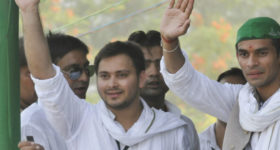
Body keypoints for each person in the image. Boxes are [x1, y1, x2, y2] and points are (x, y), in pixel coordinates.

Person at [15, 0, 193, 149]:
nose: (112, 83)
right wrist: (28, 9)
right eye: (104, 76)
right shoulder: (80, 118)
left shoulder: (173, 131)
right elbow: (45, 76)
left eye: (122, 75)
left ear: (141, 77)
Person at [159, 0, 280, 149]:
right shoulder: (240, 102)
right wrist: (169, 42)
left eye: (262, 53)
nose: (251, 63)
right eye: (244, 54)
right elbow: (187, 83)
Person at [19, 32, 93, 150]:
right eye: (74, 71)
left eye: (88, 69)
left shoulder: (94, 114)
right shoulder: (32, 122)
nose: (84, 78)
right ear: (50, 74)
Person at [128, 30, 199, 149]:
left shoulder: (185, 125)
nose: (154, 72)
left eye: (161, 64)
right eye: (145, 65)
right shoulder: (114, 124)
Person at [198, 68, 246, 150]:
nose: (229, 102)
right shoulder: (197, 143)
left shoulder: (259, 142)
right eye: (223, 96)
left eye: (237, 96)